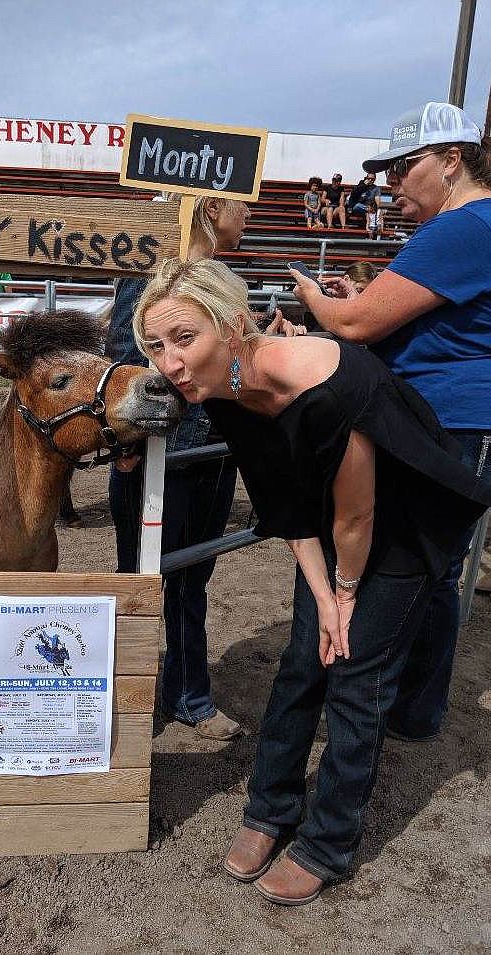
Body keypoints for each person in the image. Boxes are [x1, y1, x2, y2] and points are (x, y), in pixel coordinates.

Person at [132, 255, 491, 903]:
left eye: (185, 338)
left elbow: (359, 514)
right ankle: (270, 808)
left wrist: (343, 598)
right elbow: (287, 503)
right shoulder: (224, 388)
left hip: (405, 520)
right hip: (333, 520)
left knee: (353, 672)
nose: (169, 363)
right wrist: (323, 594)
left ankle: (329, 842)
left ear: (234, 325)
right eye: (156, 345)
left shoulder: (325, 381)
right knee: (303, 659)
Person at [293, 101, 491, 743]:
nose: (393, 184)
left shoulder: (464, 228)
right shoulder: (472, 228)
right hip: (451, 417)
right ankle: (415, 709)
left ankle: (381, 701)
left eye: (406, 167)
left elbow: (354, 326)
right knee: (435, 568)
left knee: (410, 566)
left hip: (442, 422)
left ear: (453, 160)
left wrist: (314, 298)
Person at [106, 195, 303, 742]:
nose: (250, 217)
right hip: (162, 454)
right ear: (214, 208)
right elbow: (126, 359)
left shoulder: (217, 280)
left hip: (209, 452)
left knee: (191, 577)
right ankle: (142, 691)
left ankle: (183, 689)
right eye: (243, 207)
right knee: (146, 579)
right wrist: (132, 445)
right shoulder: (152, 279)